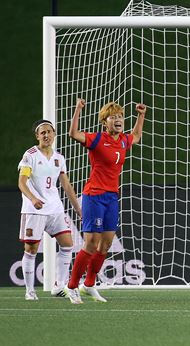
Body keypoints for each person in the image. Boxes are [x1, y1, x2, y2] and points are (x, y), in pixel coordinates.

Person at [64, 98, 147, 304]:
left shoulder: (123, 140)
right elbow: (73, 134)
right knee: (90, 243)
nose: (118, 120)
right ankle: (71, 286)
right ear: (104, 122)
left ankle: (89, 285)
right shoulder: (97, 139)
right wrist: (78, 109)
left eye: (120, 116)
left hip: (112, 196)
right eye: (113, 117)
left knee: (106, 243)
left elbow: (136, 135)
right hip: (94, 195)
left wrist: (141, 115)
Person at [17, 119, 82, 300]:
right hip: (34, 209)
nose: (46, 135)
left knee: (68, 245)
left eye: (49, 132)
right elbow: (22, 183)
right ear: (37, 136)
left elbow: (67, 186)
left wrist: (77, 208)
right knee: (30, 250)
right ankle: (30, 291)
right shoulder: (30, 155)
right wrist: (33, 198)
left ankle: (58, 286)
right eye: (42, 132)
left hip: (55, 209)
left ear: (54, 134)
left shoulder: (59, 158)